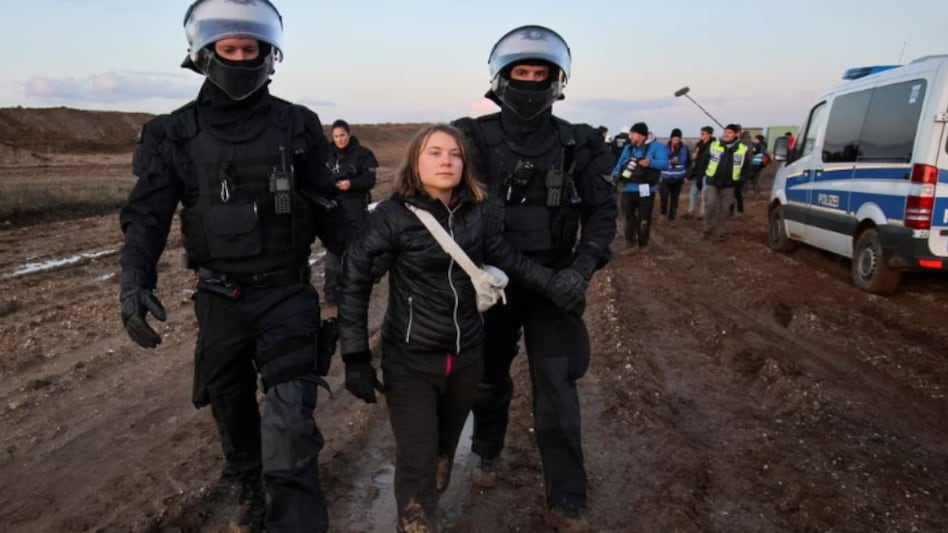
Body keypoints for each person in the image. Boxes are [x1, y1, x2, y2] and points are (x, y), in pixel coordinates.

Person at [117, 1, 346, 530]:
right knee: (230, 400)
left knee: (291, 416)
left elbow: (328, 209)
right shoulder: (172, 133)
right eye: (230, 49)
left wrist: (374, 264)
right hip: (219, 297)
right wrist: (134, 280)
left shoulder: (298, 124)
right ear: (203, 54)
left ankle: (295, 516)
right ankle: (246, 477)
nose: (241, 59)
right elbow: (147, 215)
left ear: (269, 54)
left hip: (288, 293)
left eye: (251, 49)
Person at [337, 124, 580, 532]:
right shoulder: (393, 216)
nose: (446, 160)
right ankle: (415, 521)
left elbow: (508, 258)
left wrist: (558, 287)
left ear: (464, 164)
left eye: (454, 154)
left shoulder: (479, 212)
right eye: (434, 152)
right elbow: (355, 281)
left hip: (467, 357)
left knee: (442, 453)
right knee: (417, 459)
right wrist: (356, 356)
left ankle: (434, 487)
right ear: (415, 161)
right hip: (410, 360)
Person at [451, 25, 617, 531]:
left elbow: (603, 214)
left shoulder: (579, 142)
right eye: (519, 73)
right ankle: (486, 449)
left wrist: (581, 270)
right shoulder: (472, 137)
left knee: (558, 388)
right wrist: (548, 280)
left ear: (555, 79)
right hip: (494, 283)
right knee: (487, 378)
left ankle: (567, 497)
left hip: (558, 283)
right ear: (501, 79)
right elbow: (476, 225)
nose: (528, 82)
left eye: (537, 74)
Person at [323, 119, 378, 305]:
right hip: (332, 207)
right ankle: (331, 293)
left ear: (349, 134)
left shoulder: (363, 154)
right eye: (336, 136)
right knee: (333, 251)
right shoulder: (325, 155)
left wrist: (351, 184)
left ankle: (355, 289)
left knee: (356, 249)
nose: (339, 140)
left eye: (342, 135)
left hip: (356, 206)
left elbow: (370, 180)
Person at [611, 121, 669, 253]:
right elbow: (620, 163)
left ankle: (643, 244)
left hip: (646, 189)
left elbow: (665, 164)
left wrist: (650, 162)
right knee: (628, 217)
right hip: (627, 188)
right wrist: (614, 176)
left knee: (644, 217)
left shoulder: (656, 147)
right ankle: (630, 243)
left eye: (632, 134)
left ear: (640, 134)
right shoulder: (629, 148)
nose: (630, 136)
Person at [699, 123, 751, 241]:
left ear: (735, 134)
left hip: (730, 184)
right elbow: (704, 161)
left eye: (729, 133)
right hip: (712, 181)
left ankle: (720, 233)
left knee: (725, 209)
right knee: (710, 205)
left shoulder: (742, 149)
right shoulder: (714, 145)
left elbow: (746, 167)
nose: (726, 135)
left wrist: (741, 180)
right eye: (725, 132)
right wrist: (699, 176)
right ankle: (706, 229)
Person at [658, 128, 690, 223]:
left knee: (675, 199)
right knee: (664, 197)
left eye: (678, 139)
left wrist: (687, 176)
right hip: (665, 177)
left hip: (678, 178)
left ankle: (672, 217)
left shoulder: (684, 149)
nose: (676, 141)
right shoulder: (664, 148)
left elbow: (688, 163)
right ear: (670, 138)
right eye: (674, 139)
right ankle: (663, 213)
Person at [684, 126, 714, 219]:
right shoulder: (699, 145)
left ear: (709, 134)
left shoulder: (713, 145)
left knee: (704, 194)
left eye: (703, 134)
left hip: (706, 173)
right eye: (701, 133)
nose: (701, 135)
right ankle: (690, 211)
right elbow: (694, 159)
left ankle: (703, 213)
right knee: (693, 193)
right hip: (697, 172)